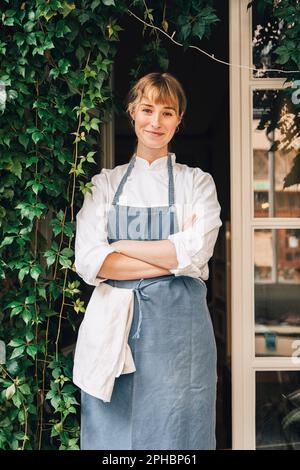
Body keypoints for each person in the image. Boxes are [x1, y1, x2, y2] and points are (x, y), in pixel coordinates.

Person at [73, 72, 222, 450]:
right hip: (115, 332)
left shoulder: (197, 184)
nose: (156, 122)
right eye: (147, 109)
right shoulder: (104, 185)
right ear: (132, 113)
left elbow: (196, 252)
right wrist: (171, 256)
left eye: (167, 112)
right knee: (114, 439)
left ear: (179, 120)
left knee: (178, 437)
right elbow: (91, 262)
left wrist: (121, 245)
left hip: (180, 339)